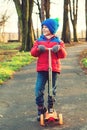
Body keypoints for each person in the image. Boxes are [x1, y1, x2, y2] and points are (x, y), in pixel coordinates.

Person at [30, 18, 67, 121]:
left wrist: (59, 49)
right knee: (38, 90)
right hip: (42, 68)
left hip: (53, 68)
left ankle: (51, 108)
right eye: (43, 27)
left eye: (46, 27)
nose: (44, 29)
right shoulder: (39, 40)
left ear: (51, 28)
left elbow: (63, 55)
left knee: (52, 90)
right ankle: (41, 109)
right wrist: (38, 49)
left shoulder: (58, 41)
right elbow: (33, 52)